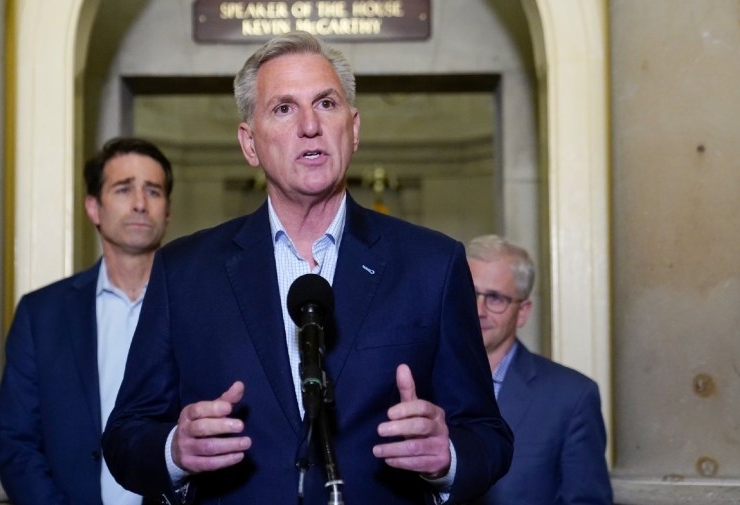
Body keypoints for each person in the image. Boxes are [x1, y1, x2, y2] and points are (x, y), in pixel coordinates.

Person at [101, 32, 512, 505]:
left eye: (326, 103)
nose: (310, 126)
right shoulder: (185, 271)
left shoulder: (432, 265)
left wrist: (447, 457)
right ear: (249, 143)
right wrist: (175, 449)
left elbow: (488, 435)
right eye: (283, 109)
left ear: (353, 129)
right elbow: (125, 436)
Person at [0, 137, 174, 505]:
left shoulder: (200, 307)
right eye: (124, 189)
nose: (140, 204)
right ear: (94, 208)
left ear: (167, 210)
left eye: (153, 192)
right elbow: (17, 442)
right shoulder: (41, 314)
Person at [466, 234, 612, 505]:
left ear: (522, 312)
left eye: (495, 298)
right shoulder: (420, 382)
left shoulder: (571, 397)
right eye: (469, 294)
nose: (479, 310)